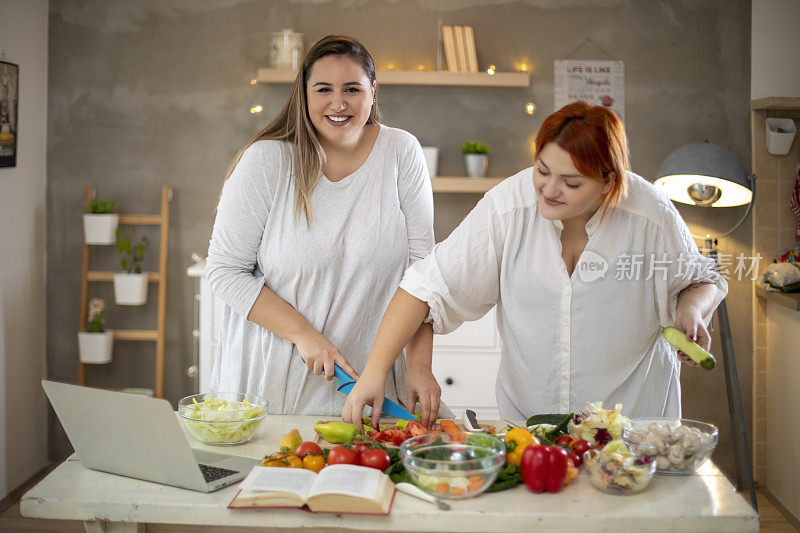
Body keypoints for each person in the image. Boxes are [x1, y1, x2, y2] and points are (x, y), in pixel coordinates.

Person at [343, 101, 728, 429]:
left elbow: (702, 279)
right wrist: (379, 371)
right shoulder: (509, 206)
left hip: (634, 430)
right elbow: (426, 286)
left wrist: (691, 309)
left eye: (571, 183)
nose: (548, 189)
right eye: (542, 170)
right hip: (530, 429)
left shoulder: (650, 214)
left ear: (608, 181)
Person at [206, 35, 438, 416]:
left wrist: (419, 365)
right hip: (278, 385)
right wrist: (305, 336)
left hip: (375, 382)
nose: (339, 103)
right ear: (304, 94)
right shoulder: (266, 161)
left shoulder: (401, 152)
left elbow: (424, 272)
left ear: (373, 91)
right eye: (324, 89)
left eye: (352, 89)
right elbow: (225, 271)